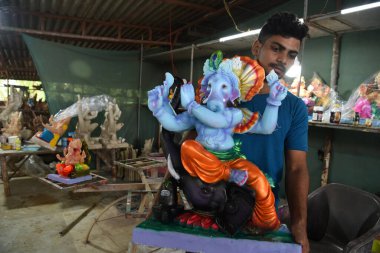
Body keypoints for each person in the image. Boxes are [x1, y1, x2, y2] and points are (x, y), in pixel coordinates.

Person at [233, 12, 310, 252]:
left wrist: (299, 223)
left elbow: (297, 168)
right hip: (209, 206)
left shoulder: (294, 107)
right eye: (276, 49)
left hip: (263, 215)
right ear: (257, 46)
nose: (283, 60)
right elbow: (190, 144)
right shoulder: (222, 92)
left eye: (291, 54)